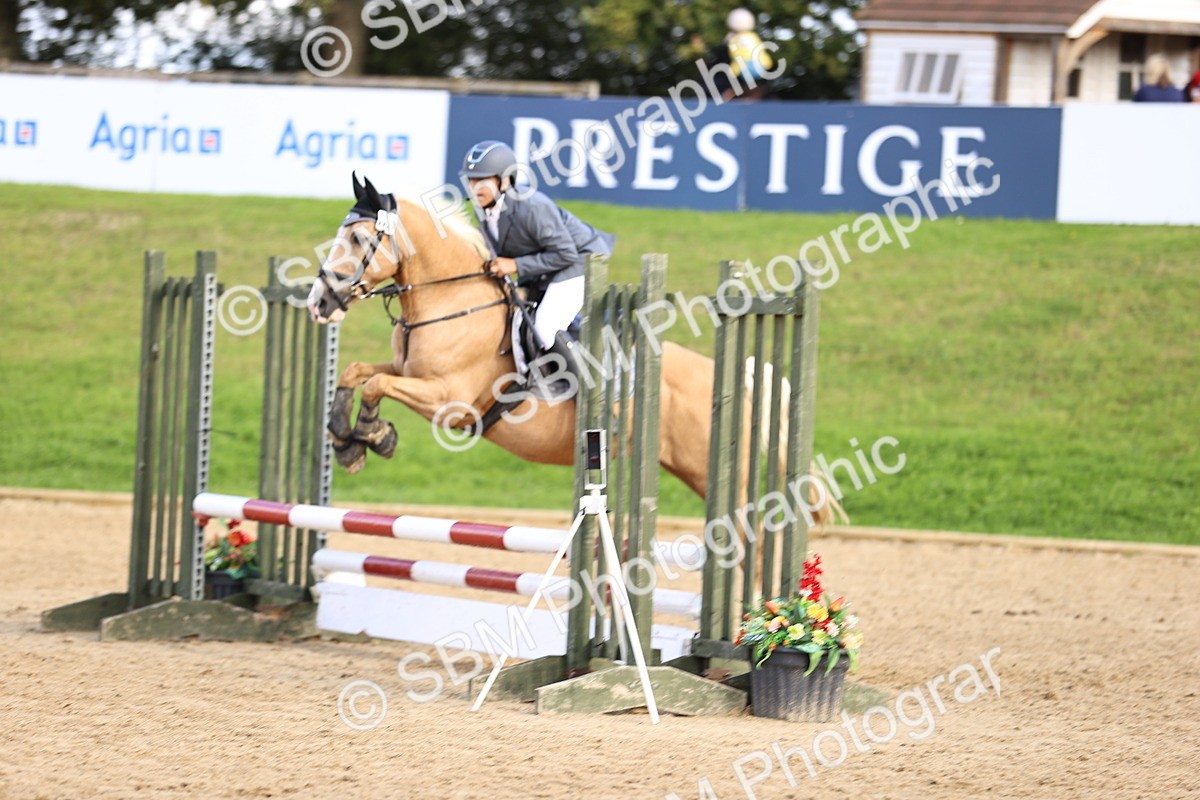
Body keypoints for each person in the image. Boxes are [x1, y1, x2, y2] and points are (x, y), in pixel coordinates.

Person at [459, 140, 615, 379]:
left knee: (545, 326)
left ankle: (589, 389)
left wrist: (515, 265)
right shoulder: (484, 208)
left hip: (581, 261)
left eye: (481, 181)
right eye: (470, 180)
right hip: (547, 267)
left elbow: (566, 253)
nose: (474, 187)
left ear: (504, 181)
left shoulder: (532, 206)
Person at [722, 7, 774, 100]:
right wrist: (766, 62)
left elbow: (735, 55)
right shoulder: (753, 37)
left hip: (743, 70)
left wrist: (732, 72)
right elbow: (761, 51)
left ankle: (736, 94)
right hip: (759, 68)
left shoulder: (733, 40)